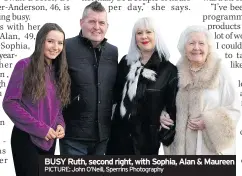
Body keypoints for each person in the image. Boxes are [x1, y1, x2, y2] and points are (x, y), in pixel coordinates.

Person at [2, 23, 70, 176]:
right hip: (26, 140)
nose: (55, 47)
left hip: (49, 142)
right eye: (50, 41)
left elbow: (57, 109)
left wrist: (60, 124)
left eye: (60, 43)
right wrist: (41, 129)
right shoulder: (24, 66)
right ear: (41, 41)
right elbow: (9, 103)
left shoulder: (59, 72)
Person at [161, 25, 240, 155]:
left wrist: (210, 122)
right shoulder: (175, 72)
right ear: (184, 48)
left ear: (208, 47)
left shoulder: (219, 71)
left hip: (209, 151)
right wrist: (162, 115)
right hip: (180, 151)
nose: (196, 48)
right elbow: (165, 102)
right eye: (191, 43)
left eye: (201, 43)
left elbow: (235, 108)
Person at [106, 17, 178, 155]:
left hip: (146, 144)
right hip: (117, 141)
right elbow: (114, 97)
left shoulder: (168, 70)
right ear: (135, 38)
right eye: (139, 33)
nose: (144, 36)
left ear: (156, 35)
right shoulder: (125, 63)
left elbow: (173, 108)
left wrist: (162, 114)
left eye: (148, 32)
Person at [59, 1, 118, 155]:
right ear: (81, 22)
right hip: (73, 137)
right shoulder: (65, 47)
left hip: (102, 139)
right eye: (92, 21)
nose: (97, 27)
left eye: (101, 22)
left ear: (107, 26)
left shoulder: (113, 52)